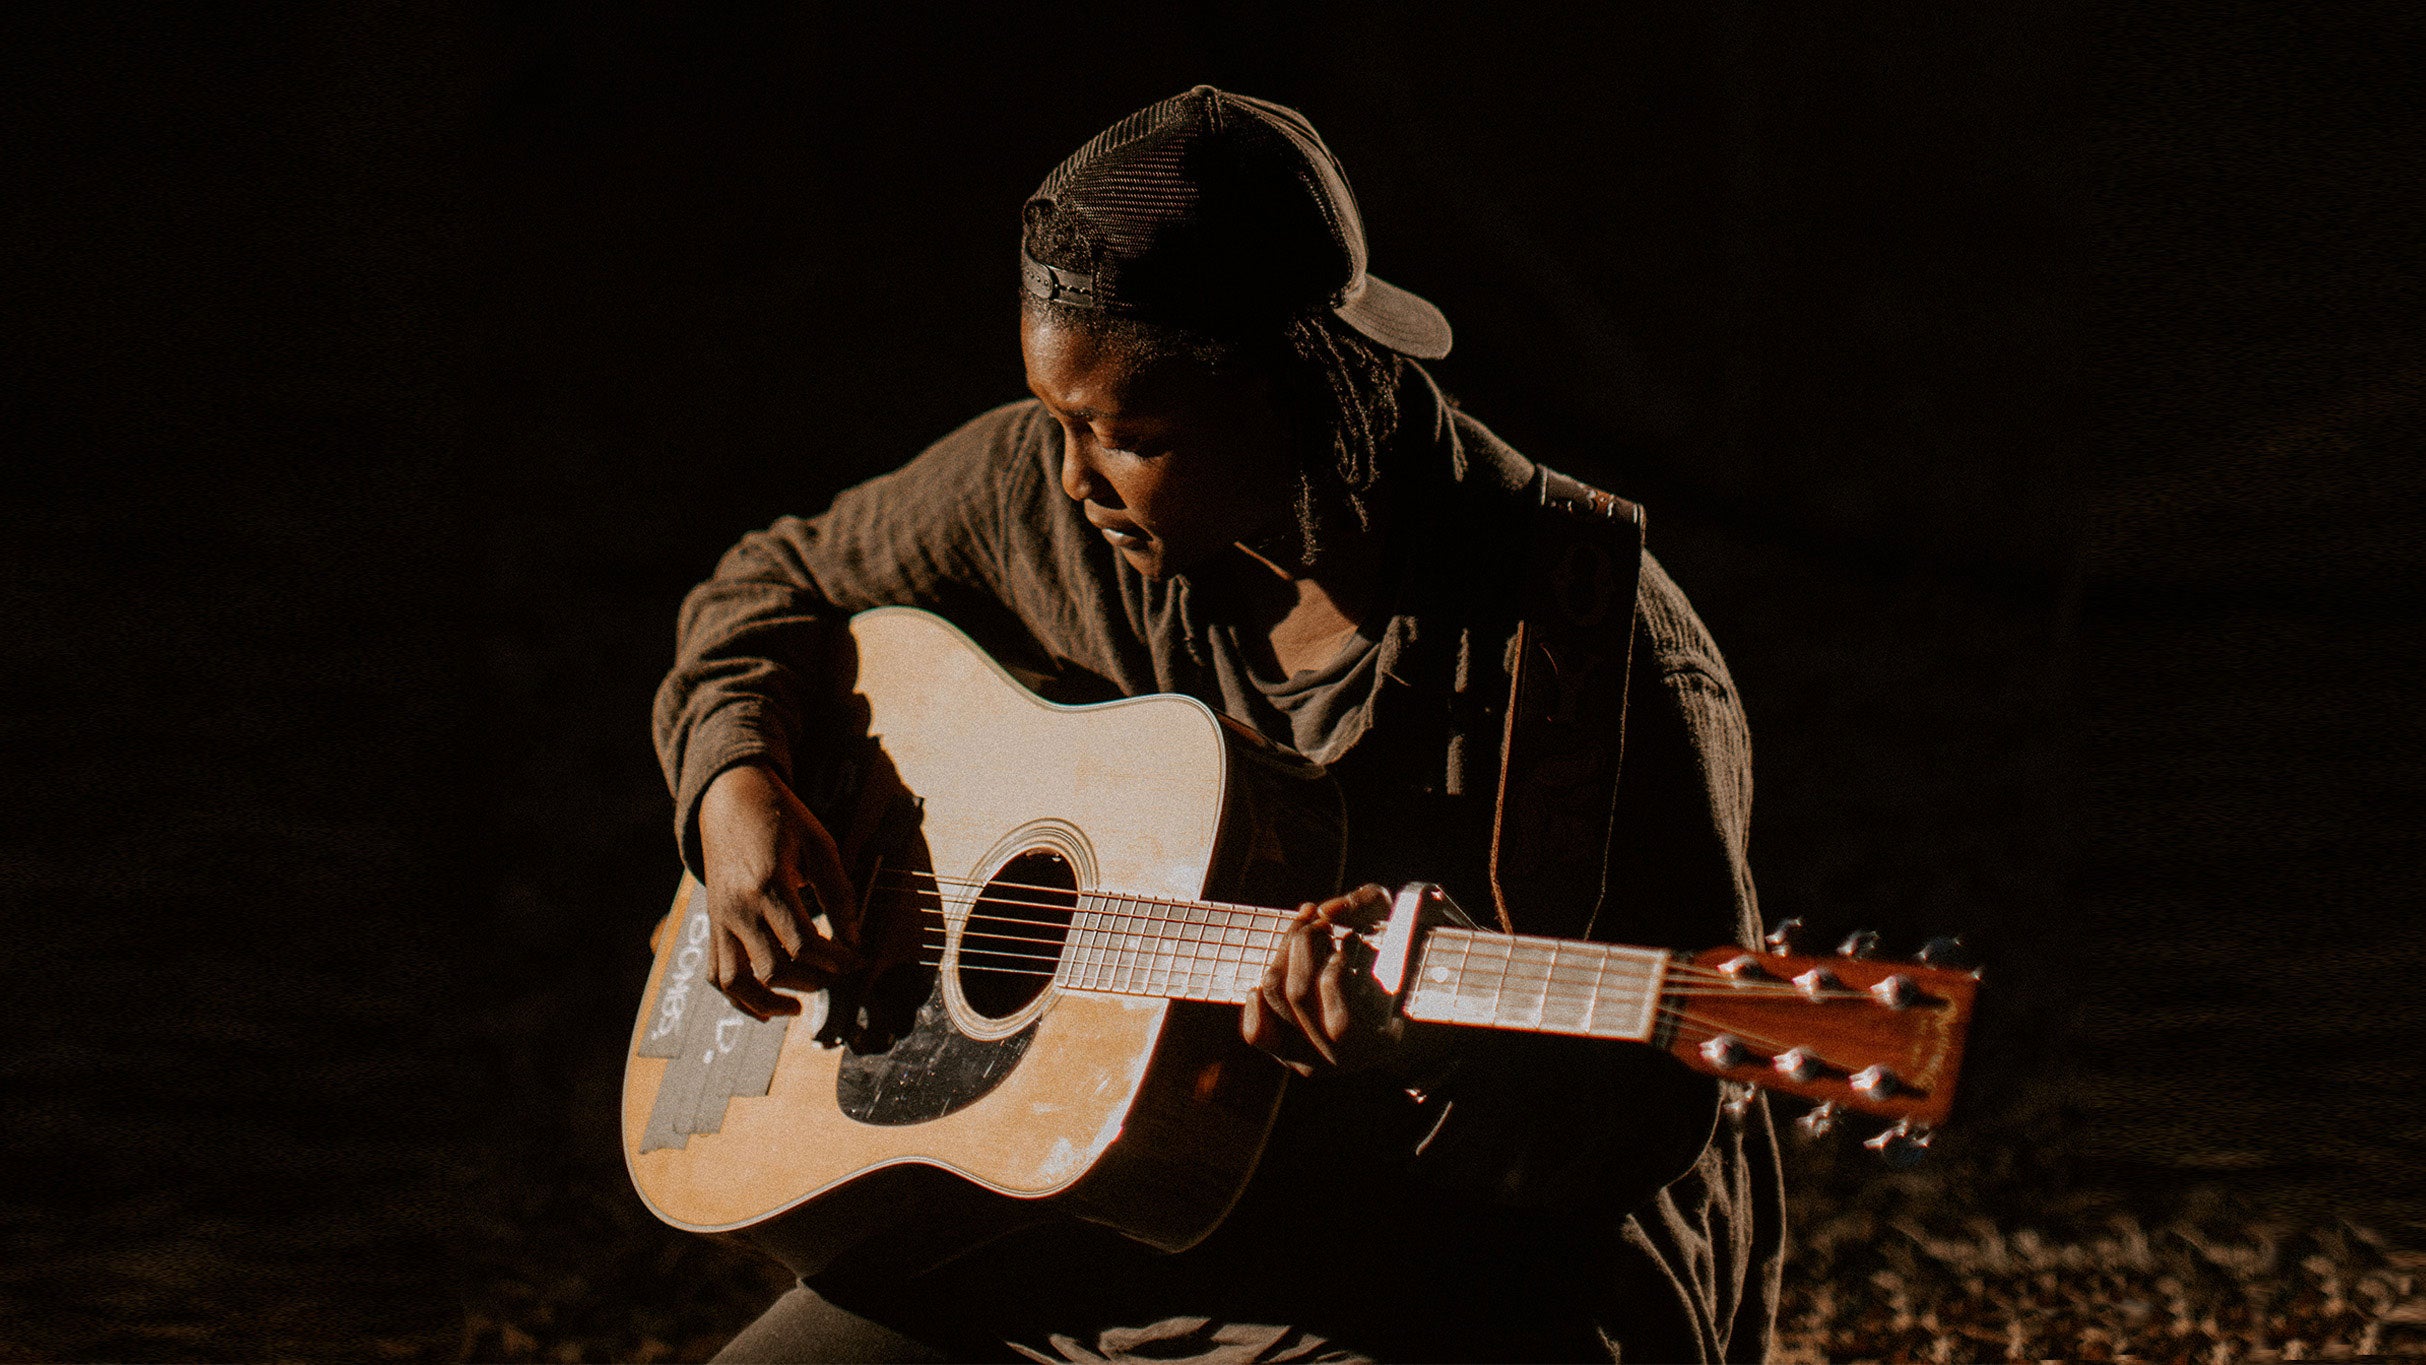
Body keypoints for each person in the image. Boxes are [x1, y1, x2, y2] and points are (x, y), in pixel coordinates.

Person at [652, 86, 1784, 1364]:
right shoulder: (1046, 491)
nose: (1075, 477)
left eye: (1133, 436)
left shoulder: (1584, 648)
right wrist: (735, 790)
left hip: (1469, 1246)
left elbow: (1660, 1103)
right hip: (1088, 1199)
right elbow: (774, 580)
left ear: (1301, 393)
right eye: (1055, 420)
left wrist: (1438, 1051)